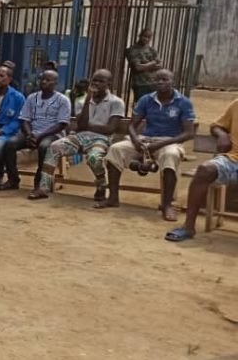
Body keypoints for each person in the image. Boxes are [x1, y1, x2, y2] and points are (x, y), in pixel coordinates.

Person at [102, 69, 195, 220]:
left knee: (170, 155)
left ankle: (167, 205)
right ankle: (113, 198)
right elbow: (132, 125)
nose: (160, 82)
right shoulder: (146, 99)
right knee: (115, 149)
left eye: (164, 79)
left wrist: (163, 143)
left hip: (169, 141)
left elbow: (189, 133)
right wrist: (135, 140)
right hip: (146, 139)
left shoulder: (183, 102)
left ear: (172, 81)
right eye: (157, 79)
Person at [29, 69, 125, 203]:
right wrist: (88, 100)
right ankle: (43, 188)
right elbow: (81, 125)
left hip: (101, 139)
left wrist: (88, 127)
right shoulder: (83, 100)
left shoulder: (116, 102)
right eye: (94, 80)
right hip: (81, 136)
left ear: (109, 83)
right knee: (54, 147)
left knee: (93, 157)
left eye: (101, 81)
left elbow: (110, 129)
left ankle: (101, 186)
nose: (96, 84)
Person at [166, 98, 238, 242]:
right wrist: (222, 134)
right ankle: (188, 227)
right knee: (205, 170)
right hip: (234, 159)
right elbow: (216, 126)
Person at [5, 70, 72, 192]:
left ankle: (40, 183)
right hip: (32, 132)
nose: (44, 82)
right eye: (42, 79)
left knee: (44, 147)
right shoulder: (32, 97)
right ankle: (13, 180)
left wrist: (40, 135)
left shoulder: (63, 100)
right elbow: (24, 119)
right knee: (10, 143)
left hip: (52, 134)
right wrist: (29, 135)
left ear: (55, 83)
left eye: (48, 80)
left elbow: (62, 124)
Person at [126, 28, 160, 107]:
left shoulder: (152, 50)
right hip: (140, 83)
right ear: (140, 36)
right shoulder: (132, 50)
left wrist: (145, 66)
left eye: (148, 37)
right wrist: (152, 63)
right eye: (144, 36)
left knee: (152, 106)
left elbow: (159, 66)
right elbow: (138, 67)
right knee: (140, 106)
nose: (146, 39)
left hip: (153, 83)